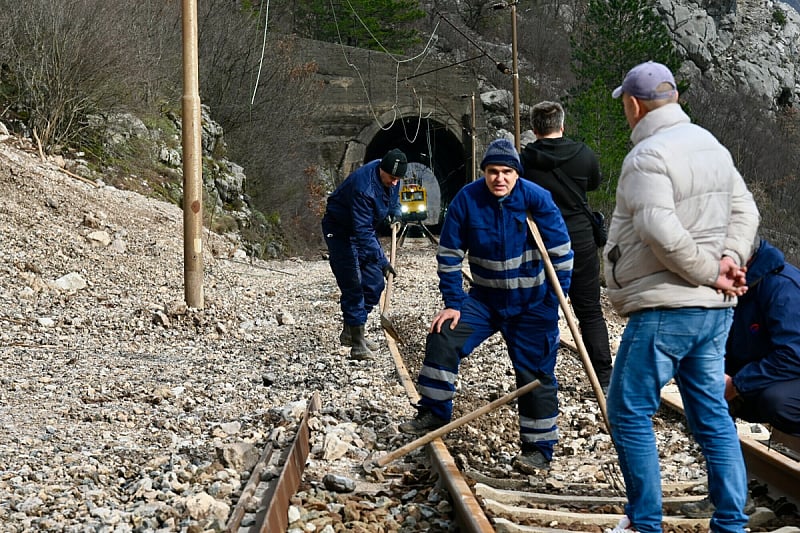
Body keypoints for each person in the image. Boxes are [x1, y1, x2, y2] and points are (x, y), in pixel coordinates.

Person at [602, 61, 760, 533]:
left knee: (628, 411)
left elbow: (658, 229)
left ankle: (644, 522)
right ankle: (732, 522)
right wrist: (730, 259)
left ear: (633, 105)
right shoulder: (712, 145)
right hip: (713, 314)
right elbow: (745, 211)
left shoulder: (647, 155)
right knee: (711, 412)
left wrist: (712, 271)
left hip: (666, 307)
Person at [398, 138, 574, 473]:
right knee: (444, 335)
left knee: (536, 374)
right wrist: (453, 302)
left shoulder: (537, 200)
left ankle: (538, 449)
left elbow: (562, 255)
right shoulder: (468, 199)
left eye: (507, 172)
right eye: (493, 172)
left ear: (516, 174)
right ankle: (433, 412)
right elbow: (449, 257)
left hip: (532, 305)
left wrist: (555, 300)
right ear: (484, 172)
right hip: (484, 300)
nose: (500, 179)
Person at [681, 237, 800, 518]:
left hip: (790, 373)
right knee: (704, 395)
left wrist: (737, 384)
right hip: (764, 371)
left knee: (778, 402)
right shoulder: (726, 282)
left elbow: (794, 354)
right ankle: (726, 497)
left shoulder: (782, 287)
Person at [520, 100, 613, 392]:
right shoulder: (583, 154)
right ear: (562, 125)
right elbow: (594, 184)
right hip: (581, 240)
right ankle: (605, 379)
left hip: (542, 242)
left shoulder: (525, 161)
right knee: (590, 311)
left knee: (540, 309)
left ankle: (539, 378)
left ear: (535, 129)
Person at [322, 149, 405, 360]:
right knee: (353, 283)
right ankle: (357, 344)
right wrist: (382, 261)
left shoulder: (392, 177)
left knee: (375, 283)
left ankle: (352, 330)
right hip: (340, 232)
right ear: (381, 170)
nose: (395, 183)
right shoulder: (364, 188)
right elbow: (364, 232)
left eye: (398, 179)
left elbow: (393, 197)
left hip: (361, 230)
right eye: (391, 178)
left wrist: (395, 211)